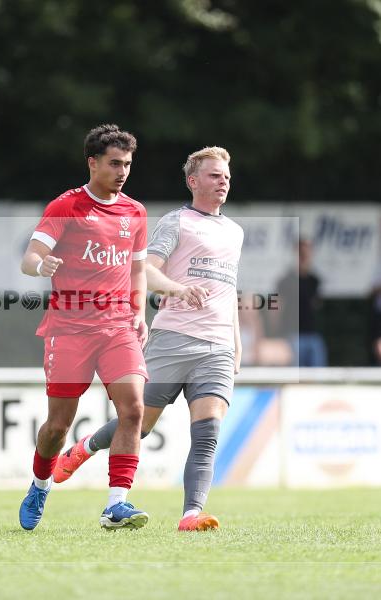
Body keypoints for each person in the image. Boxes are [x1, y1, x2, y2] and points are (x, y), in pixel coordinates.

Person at [53, 146, 244, 532]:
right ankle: (85, 447)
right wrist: (177, 288)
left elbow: (229, 289)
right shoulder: (177, 222)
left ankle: (192, 514)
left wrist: (236, 345)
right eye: (213, 175)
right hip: (173, 338)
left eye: (225, 175)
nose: (222, 181)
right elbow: (144, 272)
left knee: (207, 433)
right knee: (137, 425)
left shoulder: (235, 231)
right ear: (193, 181)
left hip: (218, 348)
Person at [18, 124, 149, 531]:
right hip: (69, 329)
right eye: (114, 163)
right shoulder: (66, 206)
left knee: (134, 410)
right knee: (58, 425)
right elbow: (29, 258)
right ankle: (40, 484)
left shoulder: (135, 212)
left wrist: (140, 311)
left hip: (117, 328)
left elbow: (138, 269)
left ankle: (116, 504)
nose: (122, 171)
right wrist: (44, 265)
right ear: (93, 163)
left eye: (127, 164)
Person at [273, 239, 325, 366]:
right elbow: (277, 307)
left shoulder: (315, 280)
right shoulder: (285, 280)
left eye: (308, 253)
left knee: (318, 376)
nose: (305, 257)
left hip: (312, 334)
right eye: (302, 253)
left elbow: (316, 304)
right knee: (294, 376)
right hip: (292, 335)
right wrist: (277, 333)